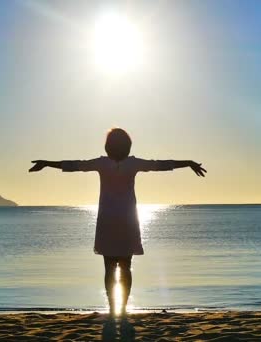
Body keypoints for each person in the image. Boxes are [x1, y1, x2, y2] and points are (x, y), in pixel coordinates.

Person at [28, 128, 206, 337]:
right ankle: (121, 309)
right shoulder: (132, 163)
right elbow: (161, 165)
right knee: (126, 267)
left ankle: (114, 309)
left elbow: (75, 165)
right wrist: (189, 163)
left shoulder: (103, 164)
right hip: (127, 221)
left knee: (109, 268)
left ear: (108, 145)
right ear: (128, 145)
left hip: (108, 221)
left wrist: (47, 164)